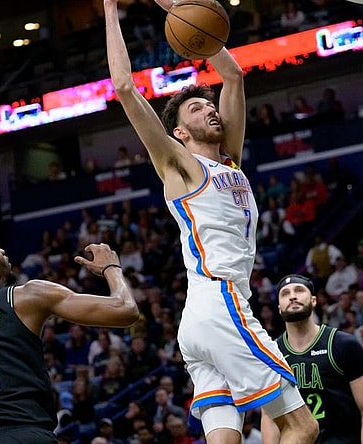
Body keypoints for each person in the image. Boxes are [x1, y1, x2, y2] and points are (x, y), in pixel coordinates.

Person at [104, 1, 318, 442]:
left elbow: (234, 75)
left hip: (198, 319)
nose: (210, 111)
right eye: (197, 110)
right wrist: (110, 7)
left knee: (225, 437)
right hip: (222, 303)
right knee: (303, 427)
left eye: (209, 105)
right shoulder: (179, 166)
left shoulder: (230, 162)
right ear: (179, 132)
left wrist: (174, 5)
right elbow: (125, 87)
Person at [0, 185, 139, 443]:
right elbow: (126, 310)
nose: (2, 251)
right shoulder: (26, 297)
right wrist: (111, 267)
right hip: (26, 434)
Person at [261, 274, 363, 443]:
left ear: (314, 301)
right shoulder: (271, 354)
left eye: (299, 291)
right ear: (279, 308)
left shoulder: (343, 344)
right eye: (285, 293)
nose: (292, 296)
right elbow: (269, 418)